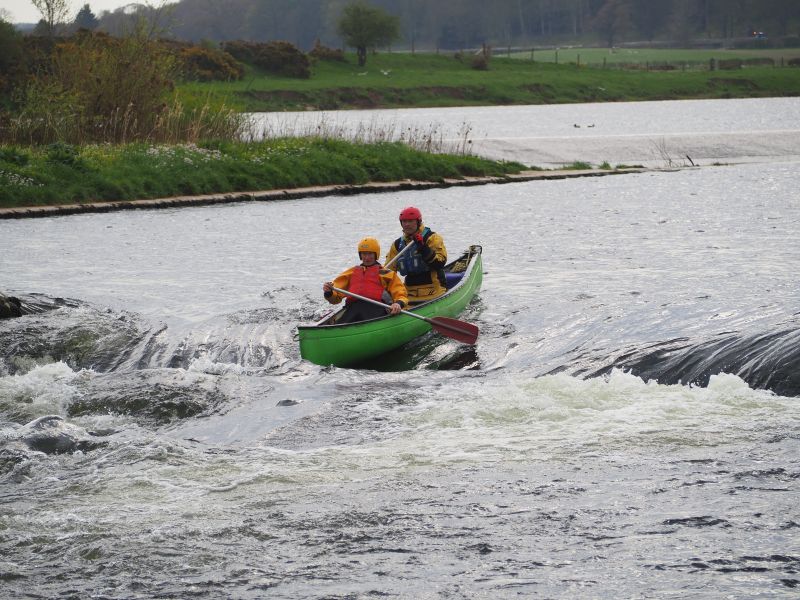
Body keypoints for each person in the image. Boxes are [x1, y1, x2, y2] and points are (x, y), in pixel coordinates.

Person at [323, 237, 408, 324]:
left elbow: (400, 292)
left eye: (370, 254)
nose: (367, 258)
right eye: (364, 254)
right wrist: (329, 292)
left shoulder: (386, 274)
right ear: (360, 255)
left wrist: (398, 303)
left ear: (376, 255)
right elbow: (335, 298)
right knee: (345, 319)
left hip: (377, 309)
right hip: (353, 309)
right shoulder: (351, 273)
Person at [385, 206, 447, 305]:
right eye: (404, 221)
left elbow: (440, 263)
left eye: (410, 221)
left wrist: (423, 247)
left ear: (418, 222)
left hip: (435, 291)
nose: (407, 224)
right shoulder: (397, 245)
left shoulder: (432, 238)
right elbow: (388, 272)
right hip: (409, 294)